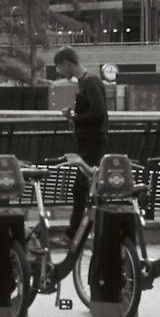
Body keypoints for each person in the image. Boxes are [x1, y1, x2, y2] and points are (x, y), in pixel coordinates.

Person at [53, 44, 108, 241]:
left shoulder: (90, 81)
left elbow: (97, 112)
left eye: (59, 67)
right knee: (84, 188)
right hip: (89, 141)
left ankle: (75, 233)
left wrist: (75, 117)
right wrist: (74, 116)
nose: (60, 72)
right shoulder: (86, 81)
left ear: (67, 63)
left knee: (81, 188)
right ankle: (81, 231)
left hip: (92, 142)